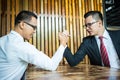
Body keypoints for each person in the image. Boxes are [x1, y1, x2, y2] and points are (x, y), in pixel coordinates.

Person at [0, 10, 68, 80]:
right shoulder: (22, 47)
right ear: (22, 24)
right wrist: (63, 43)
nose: (34, 31)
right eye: (33, 27)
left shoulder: (2, 40)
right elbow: (52, 65)